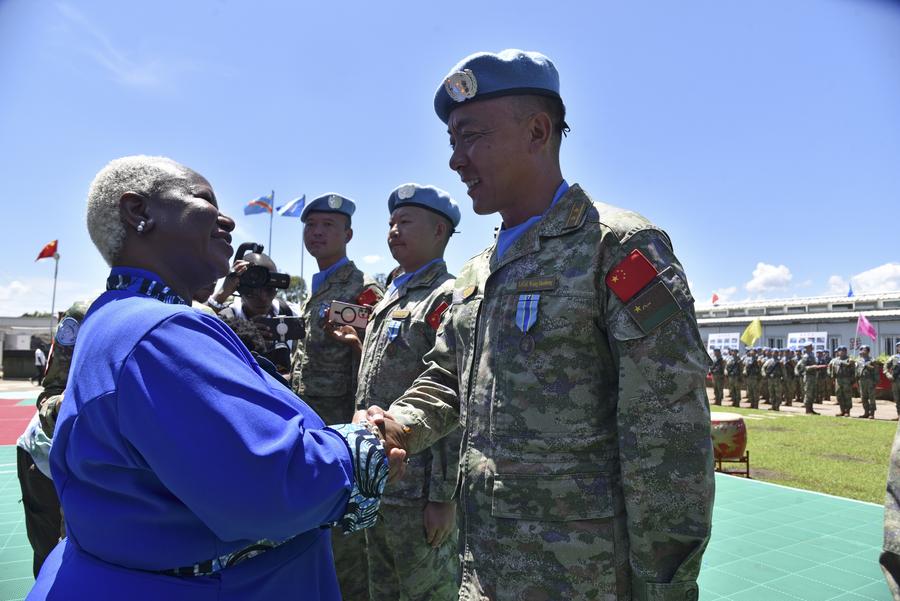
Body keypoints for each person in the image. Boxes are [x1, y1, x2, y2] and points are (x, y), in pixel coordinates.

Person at [366, 49, 714, 600]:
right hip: (481, 568)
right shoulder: (478, 270)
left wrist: (665, 583)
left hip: (584, 576)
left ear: (536, 130)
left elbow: (668, 431)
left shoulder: (617, 247)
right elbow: (447, 376)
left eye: (472, 136)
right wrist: (401, 423)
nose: (457, 160)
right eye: (452, 142)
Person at [28, 156, 400, 601]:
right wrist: (365, 447)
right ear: (138, 213)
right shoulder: (159, 333)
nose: (225, 219)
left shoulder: (119, 314)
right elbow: (270, 485)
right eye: (203, 200)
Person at [332, 184, 463, 601]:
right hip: (379, 477)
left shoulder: (446, 297)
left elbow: (452, 394)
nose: (393, 231)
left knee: (425, 591)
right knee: (382, 586)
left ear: (439, 230)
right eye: (391, 222)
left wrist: (444, 496)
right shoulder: (394, 294)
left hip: (418, 488)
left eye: (405, 222)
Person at [290, 192, 384, 601]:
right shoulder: (315, 288)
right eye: (312, 226)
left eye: (328, 226)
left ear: (348, 234)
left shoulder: (361, 290)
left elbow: (375, 362)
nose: (318, 233)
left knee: (345, 550)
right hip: (310, 431)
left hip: (343, 435)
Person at [828, 346, 855, 417]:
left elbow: (854, 371)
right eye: (840, 351)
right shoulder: (834, 360)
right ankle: (842, 410)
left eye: (843, 351)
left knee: (847, 395)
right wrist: (832, 377)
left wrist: (852, 380)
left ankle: (847, 411)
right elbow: (829, 368)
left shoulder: (849, 360)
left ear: (846, 352)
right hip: (838, 379)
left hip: (846, 379)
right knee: (839, 395)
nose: (841, 352)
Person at [795, 343, 820, 415]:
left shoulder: (812, 355)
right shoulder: (805, 357)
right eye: (810, 347)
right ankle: (808, 410)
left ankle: (811, 409)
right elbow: (803, 368)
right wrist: (813, 367)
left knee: (812, 393)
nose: (812, 348)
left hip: (813, 376)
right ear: (807, 348)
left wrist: (816, 368)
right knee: (808, 393)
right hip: (808, 376)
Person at [856, 345, 879, 419]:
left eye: (864, 350)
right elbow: (857, 371)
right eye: (861, 350)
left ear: (868, 351)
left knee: (871, 397)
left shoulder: (872, 360)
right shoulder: (859, 360)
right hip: (861, 380)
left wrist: (876, 381)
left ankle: (872, 413)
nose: (862, 351)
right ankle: (866, 412)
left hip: (870, 380)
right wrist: (856, 380)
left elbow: (876, 371)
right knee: (863, 397)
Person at [886, 342, 900, 421]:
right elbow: (885, 367)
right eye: (899, 346)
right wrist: (889, 375)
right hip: (896, 381)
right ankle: (899, 415)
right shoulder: (893, 358)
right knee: (897, 399)